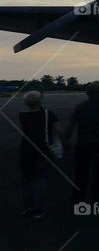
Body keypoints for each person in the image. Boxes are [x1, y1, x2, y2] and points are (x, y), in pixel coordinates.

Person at [64, 82, 99, 205]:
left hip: (83, 144)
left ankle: (78, 198)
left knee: (81, 173)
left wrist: (65, 140)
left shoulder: (80, 107)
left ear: (87, 93)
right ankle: (97, 200)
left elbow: (71, 126)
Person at [18, 91, 61, 219]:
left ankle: (28, 207)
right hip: (43, 148)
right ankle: (37, 209)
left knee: (27, 180)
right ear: (39, 101)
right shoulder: (48, 115)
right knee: (41, 179)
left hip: (26, 149)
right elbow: (59, 131)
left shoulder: (22, 115)